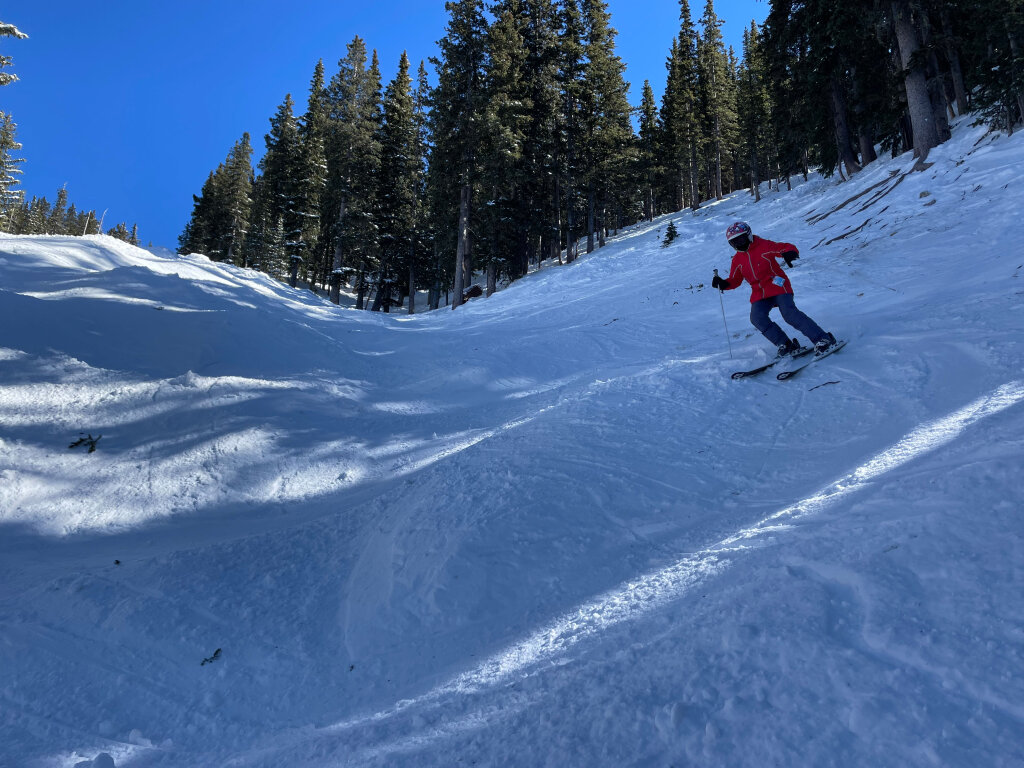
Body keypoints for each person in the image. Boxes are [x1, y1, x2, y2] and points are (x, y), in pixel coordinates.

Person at [711, 221, 836, 356]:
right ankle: (786, 344)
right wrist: (723, 283)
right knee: (757, 318)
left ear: (749, 235)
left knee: (789, 314)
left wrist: (789, 253)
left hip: (778, 285)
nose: (739, 244)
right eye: (735, 242)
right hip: (759, 293)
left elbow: (785, 247)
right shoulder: (737, 260)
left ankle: (823, 339)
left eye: (741, 239)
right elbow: (735, 280)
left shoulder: (763, 246)